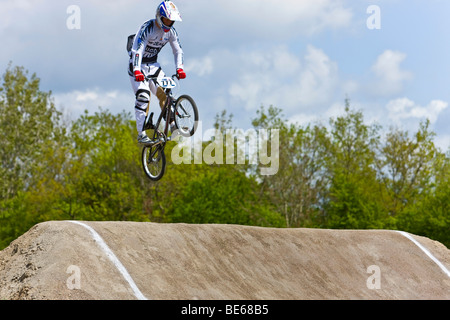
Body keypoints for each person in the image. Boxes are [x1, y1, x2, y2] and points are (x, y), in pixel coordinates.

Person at [128, 0, 186, 145]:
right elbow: (137, 50)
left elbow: (178, 50)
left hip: (153, 65)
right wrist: (136, 70)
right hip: (138, 65)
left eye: (171, 21)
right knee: (143, 96)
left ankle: (172, 125)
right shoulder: (148, 28)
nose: (169, 23)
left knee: (165, 93)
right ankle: (141, 134)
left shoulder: (171, 32)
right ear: (159, 17)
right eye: (166, 19)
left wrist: (179, 68)